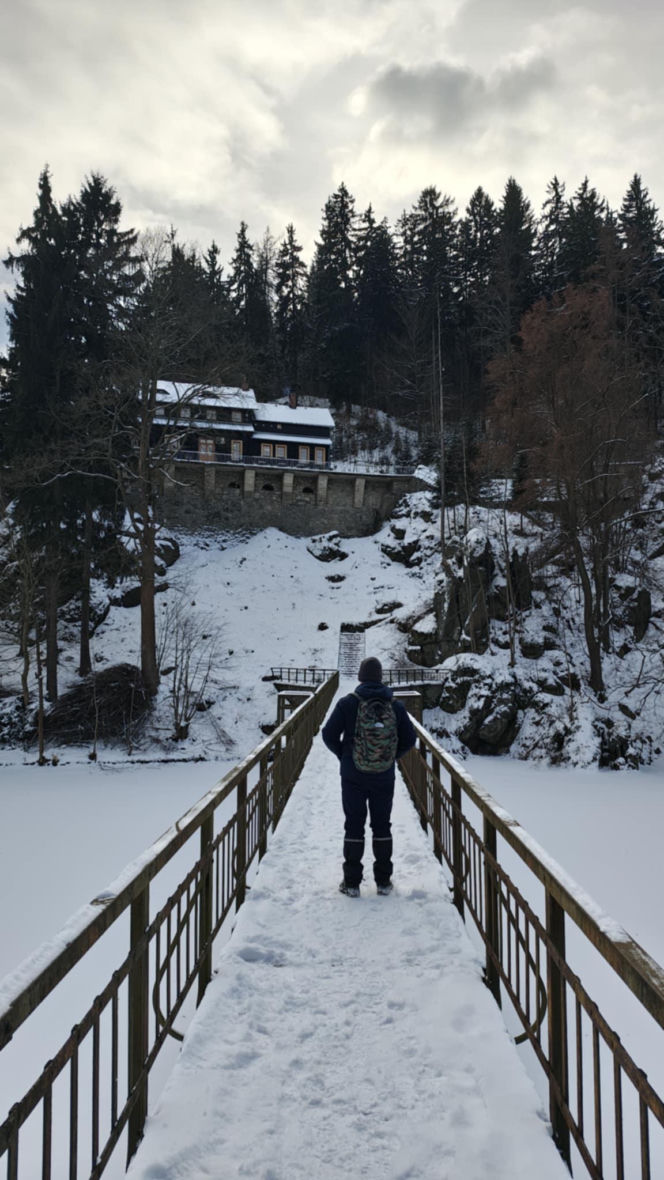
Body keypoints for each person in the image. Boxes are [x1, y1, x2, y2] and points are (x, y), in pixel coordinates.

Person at [322, 657, 416, 897]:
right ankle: (383, 881)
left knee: (354, 825)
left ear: (361, 677)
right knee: (382, 824)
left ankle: (352, 883)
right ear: (380, 677)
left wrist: (345, 755)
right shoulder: (395, 706)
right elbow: (410, 739)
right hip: (383, 776)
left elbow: (328, 734)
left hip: (353, 775)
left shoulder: (348, 703)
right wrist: (391, 756)